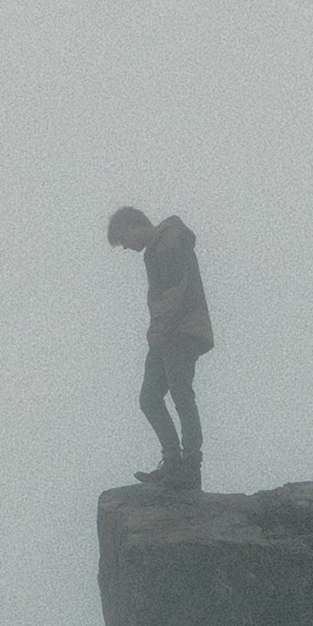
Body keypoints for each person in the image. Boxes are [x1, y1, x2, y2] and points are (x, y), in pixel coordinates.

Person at [107, 205, 212, 488]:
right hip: (167, 330)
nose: (128, 248)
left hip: (182, 329)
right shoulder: (156, 249)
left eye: (125, 240)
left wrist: (162, 325)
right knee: (150, 397)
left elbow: (174, 287)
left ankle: (190, 465)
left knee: (180, 392)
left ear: (135, 224)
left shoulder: (169, 240)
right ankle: (174, 462)